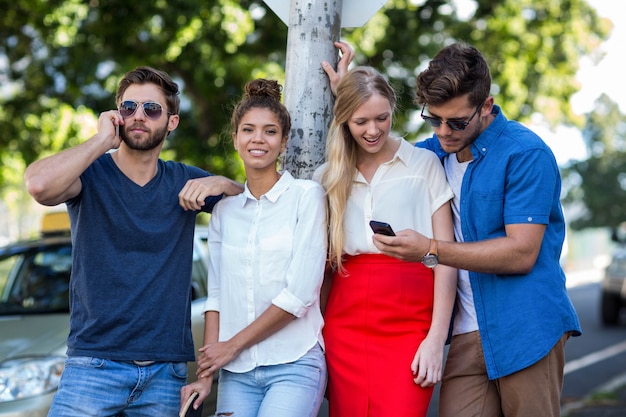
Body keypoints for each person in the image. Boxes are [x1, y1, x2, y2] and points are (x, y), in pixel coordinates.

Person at [372, 43, 583, 417]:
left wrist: (431, 248)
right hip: (467, 335)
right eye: (433, 119)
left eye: (456, 122)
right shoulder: (432, 153)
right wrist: (248, 189)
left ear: (486, 105)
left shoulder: (525, 154)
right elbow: (371, 149)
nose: (443, 131)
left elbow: (520, 253)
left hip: (527, 328)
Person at [24, 66, 243, 416]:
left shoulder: (184, 180)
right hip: (93, 367)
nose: (138, 116)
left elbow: (254, 205)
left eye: (151, 109)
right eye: (128, 108)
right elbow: (38, 185)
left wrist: (222, 183)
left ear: (171, 122)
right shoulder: (90, 174)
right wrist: (99, 141)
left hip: (166, 374)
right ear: (116, 115)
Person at [314, 64, 457, 417]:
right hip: (343, 324)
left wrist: (436, 338)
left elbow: (446, 257)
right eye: (360, 121)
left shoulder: (423, 165)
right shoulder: (328, 176)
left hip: (410, 321)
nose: (373, 130)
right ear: (344, 120)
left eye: (382, 117)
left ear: (393, 108)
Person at [180, 79, 328, 417]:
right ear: (235, 139)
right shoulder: (223, 211)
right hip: (237, 373)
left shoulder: (307, 198)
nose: (258, 138)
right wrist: (206, 375)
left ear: (284, 141)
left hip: (294, 362)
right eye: (248, 130)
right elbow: (215, 297)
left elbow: (299, 296)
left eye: (270, 131)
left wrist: (230, 347)